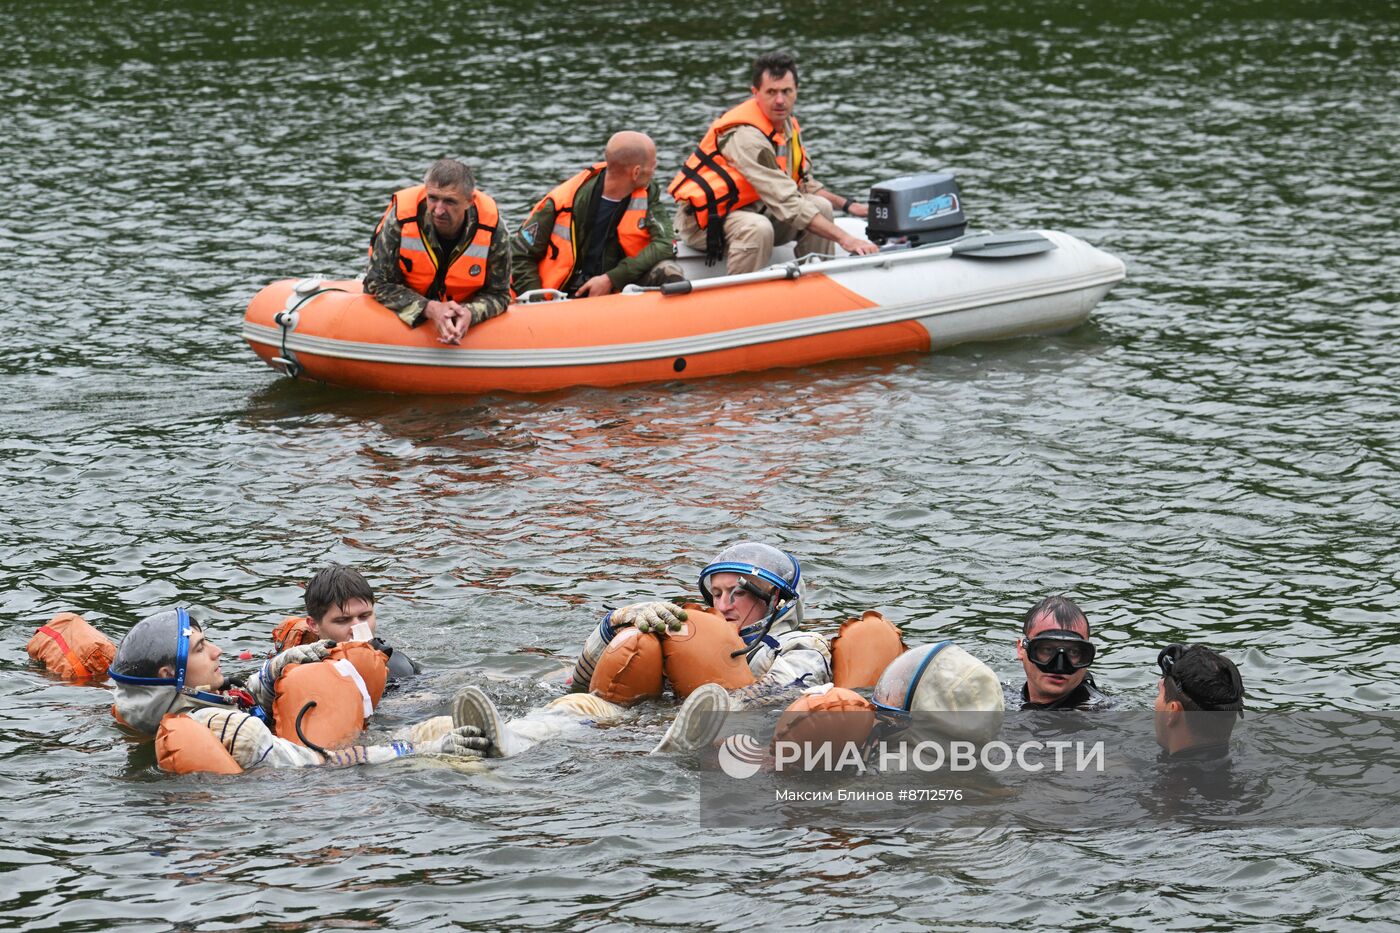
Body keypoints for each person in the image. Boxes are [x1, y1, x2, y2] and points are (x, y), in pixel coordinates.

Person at [453, 542, 833, 757]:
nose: (724, 605)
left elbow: (778, 696)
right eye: (716, 593)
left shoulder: (800, 645)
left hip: (726, 732)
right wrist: (616, 623)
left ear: (778, 601)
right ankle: (512, 737)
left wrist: (691, 712)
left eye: (739, 593)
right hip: (641, 724)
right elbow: (578, 681)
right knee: (579, 706)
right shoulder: (685, 631)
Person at [110, 608, 487, 770]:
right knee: (442, 734)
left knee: (446, 728)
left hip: (308, 774)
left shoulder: (185, 711)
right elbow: (316, 766)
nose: (216, 650)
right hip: (327, 787)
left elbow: (245, 696)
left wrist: (284, 663)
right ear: (168, 673)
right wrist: (419, 750)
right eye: (200, 649)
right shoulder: (228, 729)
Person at [669, 50, 878, 273]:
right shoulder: (746, 137)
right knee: (757, 228)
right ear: (755, 93)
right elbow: (785, 200)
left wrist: (849, 205)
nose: (780, 100)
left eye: (786, 91)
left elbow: (803, 184)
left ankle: (818, 281)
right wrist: (846, 239)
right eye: (771, 92)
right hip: (707, 223)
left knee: (821, 207)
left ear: (796, 92)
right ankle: (739, 297)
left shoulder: (787, 127)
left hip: (757, 209)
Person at [511, 132, 684, 298]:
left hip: (619, 285)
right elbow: (520, 255)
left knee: (668, 270)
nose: (654, 170)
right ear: (636, 172)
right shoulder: (562, 202)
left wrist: (610, 279)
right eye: (653, 166)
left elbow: (666, 243)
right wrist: (538, 302)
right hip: (564, 294)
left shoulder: (648, 192)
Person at [364, 158, 511, 345]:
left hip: (463, 304)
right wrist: (431, 308)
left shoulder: (493, 229)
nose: (439, 210)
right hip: (412, 298)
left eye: (449, 201)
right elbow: (377, 283)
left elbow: (500, 294)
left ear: (469, 201)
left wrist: (470, 313)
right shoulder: (401, 219)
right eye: (433, 198)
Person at [280, 564, 421, 682]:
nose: (357, 628)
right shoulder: (293, 672)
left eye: (365, 616)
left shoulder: (401, 668)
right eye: (342, 620)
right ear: (313, 625)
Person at [1009, 595, 1113, 711]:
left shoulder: (1101, 716)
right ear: (1021, 649)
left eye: (1073, 652)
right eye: (1047, 650)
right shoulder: (999, 696)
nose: (1059, 666)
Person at [1153, 643, 1245, 760]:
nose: (1160, 683)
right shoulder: (1245, 760)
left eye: (1161, 690)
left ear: (1173, 712)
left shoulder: (1132, 774)